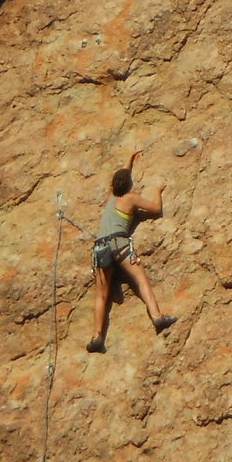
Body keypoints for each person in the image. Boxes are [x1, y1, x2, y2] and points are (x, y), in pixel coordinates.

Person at [86, 150, 177, 353]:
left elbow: (122, 175)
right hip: (119, 244)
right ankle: (157, 317)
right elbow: (155, 209)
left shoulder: (111, 198)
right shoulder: (131, 198)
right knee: (141, 279)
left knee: (101, 295)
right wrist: (158, 190)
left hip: (100, 248)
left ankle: (96, 337)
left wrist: (129, 158)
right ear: (129, 185)